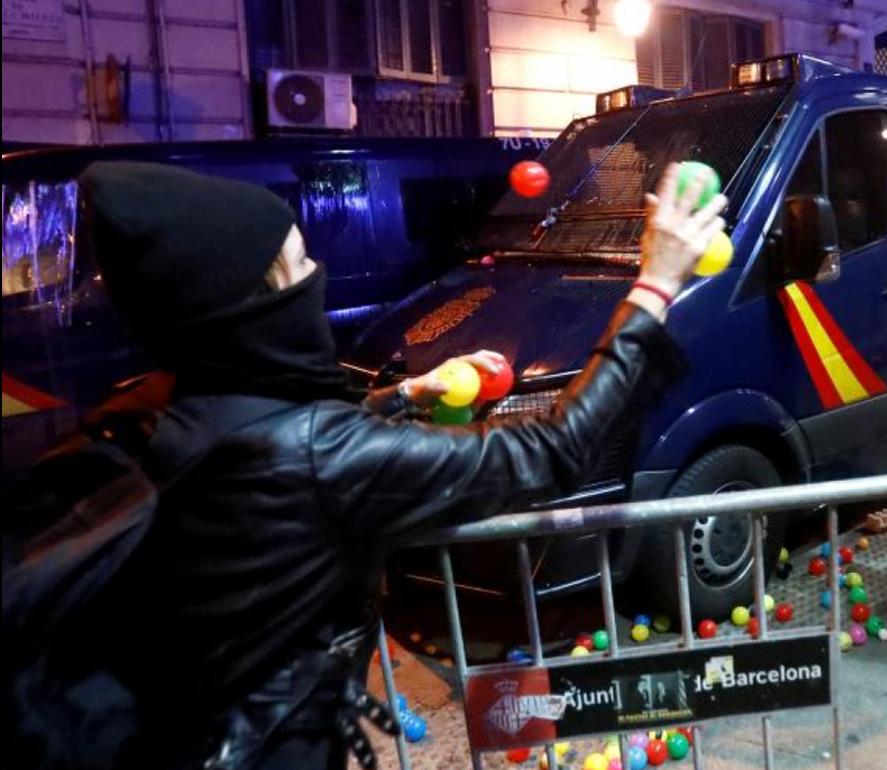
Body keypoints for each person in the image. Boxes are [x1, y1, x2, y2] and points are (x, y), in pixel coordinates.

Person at [11, 160, 726, 770]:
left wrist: (408, 393)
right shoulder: (317, 455)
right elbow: (553, 453)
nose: (317, 272)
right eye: (298, 261)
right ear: (255, 301)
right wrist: (654, 286)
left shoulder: (151, 407)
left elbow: (277, 418)